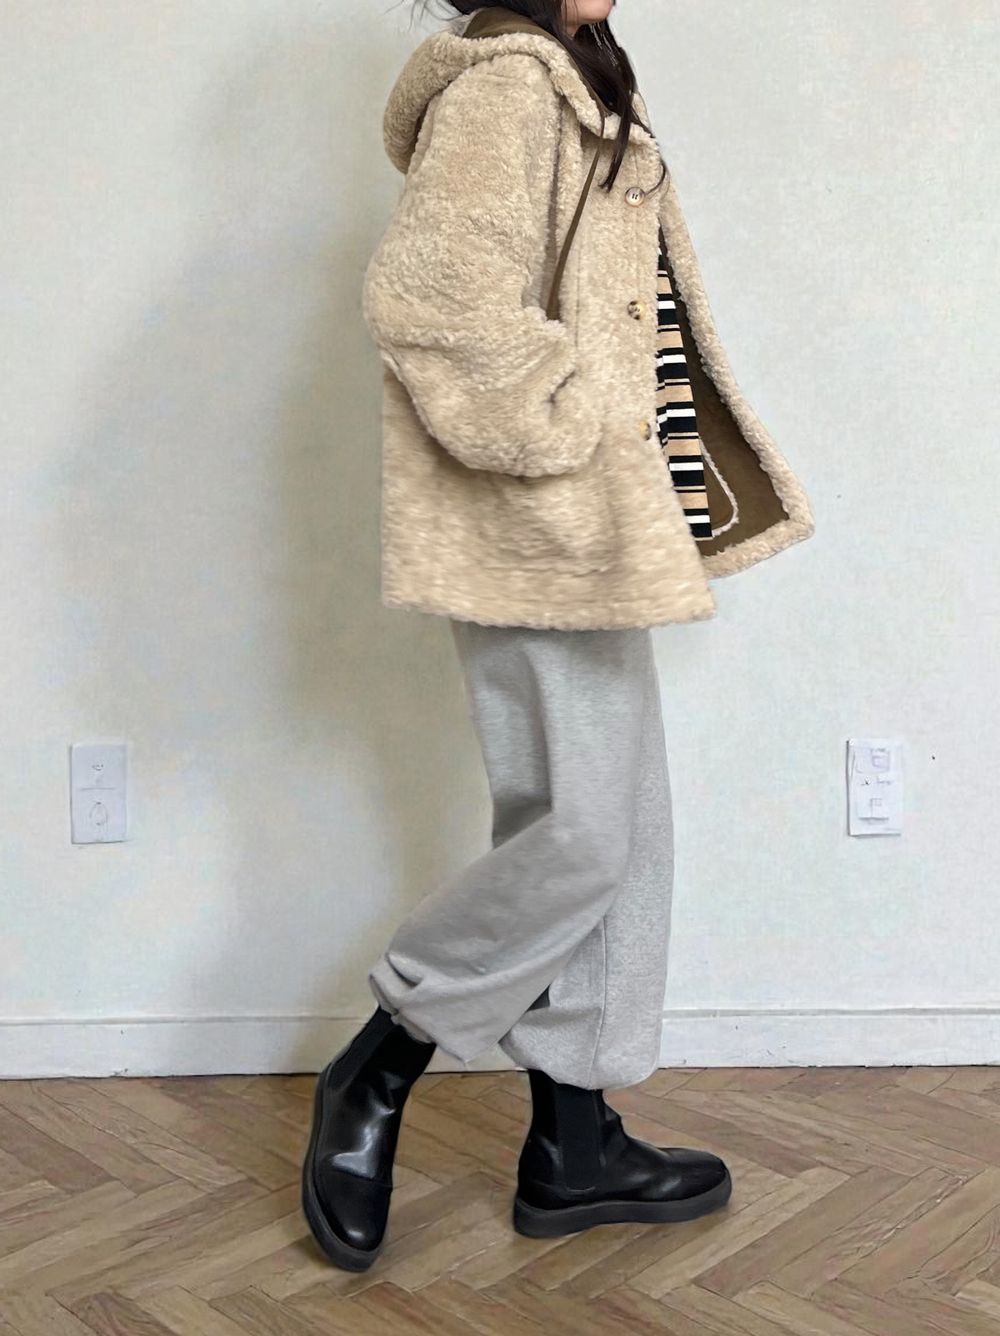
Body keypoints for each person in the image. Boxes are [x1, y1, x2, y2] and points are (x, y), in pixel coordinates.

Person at [301, 0, 816, 1272]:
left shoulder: (574, 78)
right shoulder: (505, 87)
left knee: (618, 825)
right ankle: (383, 1057)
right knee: (584, 832)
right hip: (539, 520)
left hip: (593, 523)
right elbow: (431, 296)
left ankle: (574, 1144)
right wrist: (563, 427)